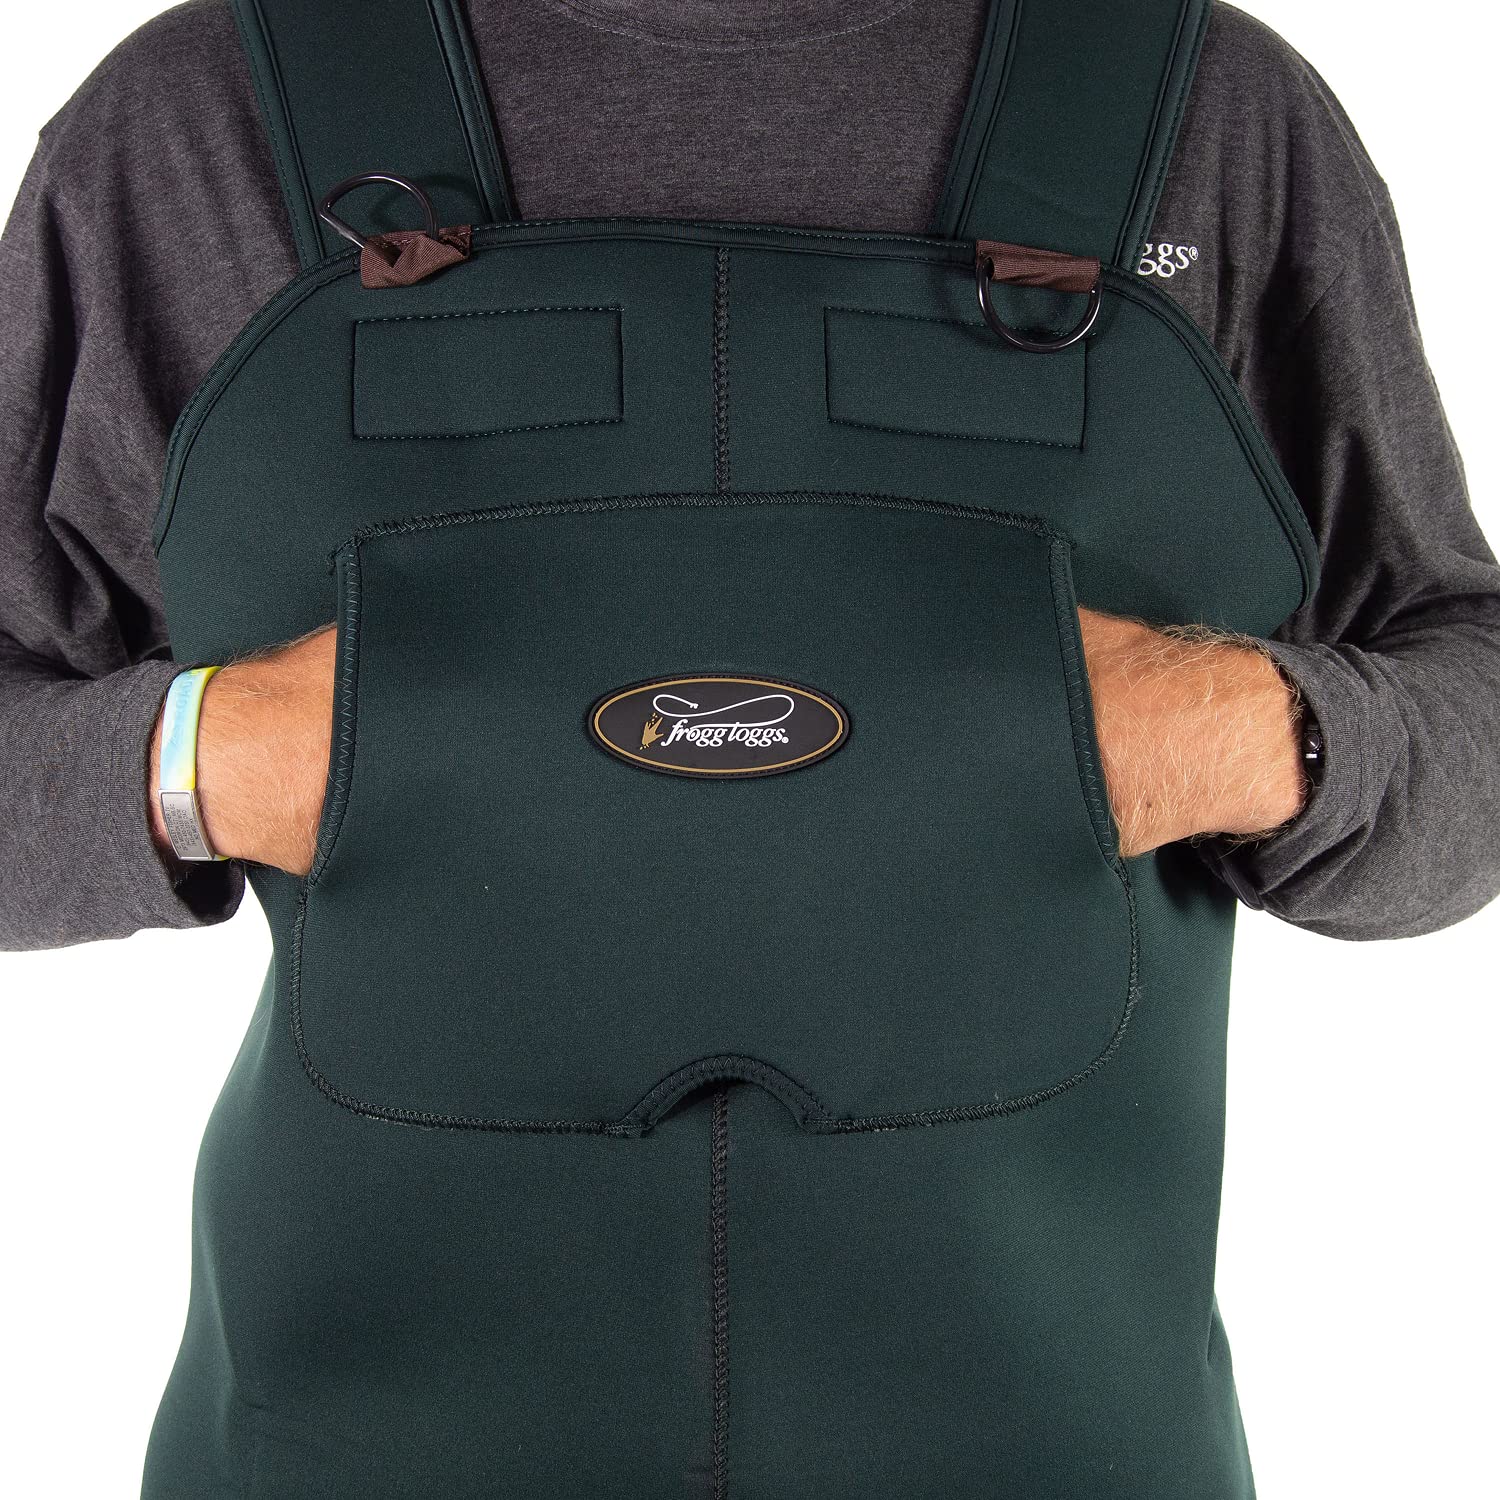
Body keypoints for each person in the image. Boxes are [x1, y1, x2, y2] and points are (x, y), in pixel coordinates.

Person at [0, 1, 1495, 1496]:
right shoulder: (195, 121)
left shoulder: (1210, 107)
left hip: (1066, 1441)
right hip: (347, 1442)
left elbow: (1465, 704)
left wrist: (1239, 735)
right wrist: (211, 757)